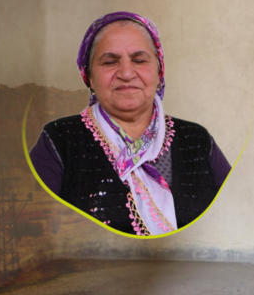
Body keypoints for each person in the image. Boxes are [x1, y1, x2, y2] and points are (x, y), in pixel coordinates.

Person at [29, 12, 230, 236]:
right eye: (109, 62)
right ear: (89, 77)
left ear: (159, 71)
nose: (126, 73)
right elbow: (39, 236)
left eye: (139, 60)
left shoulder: (197, 140)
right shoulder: (59, 140)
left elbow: (238, 217)